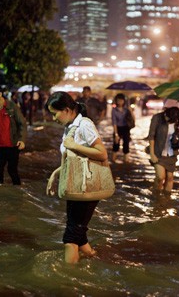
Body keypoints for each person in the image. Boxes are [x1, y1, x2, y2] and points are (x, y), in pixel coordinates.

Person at [45, 91, 108, 264]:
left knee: (70, 237)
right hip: (76, 185)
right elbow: (73, 160)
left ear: (66, 109)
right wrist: (55, 173)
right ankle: (96, 260)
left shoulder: (84, 125)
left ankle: (69, 283)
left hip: (87, 186)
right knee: (78, 234)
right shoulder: (70, 127)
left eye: (54, 113)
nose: (53, 118)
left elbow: (102, 154)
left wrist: (74, 146)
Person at [0, 84, 27, 186]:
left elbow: (22, 124)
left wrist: (22, 140)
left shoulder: (12, 106)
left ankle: (18, 194)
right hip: (0, 147)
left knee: (12, 170)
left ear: (0, 94)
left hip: (13, 145)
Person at [147, 107, 179, 192]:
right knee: (160, 177)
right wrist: (152, 154)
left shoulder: (178, 121)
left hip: (171, 154)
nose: (167, 119)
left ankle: (166, 200)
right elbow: (151, 136)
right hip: (158, 153)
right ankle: (156, 196)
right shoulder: (157, 118)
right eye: (166, 116)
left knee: (169, 178)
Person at [111, 93, 133, 163]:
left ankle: (126, 161)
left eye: (121, 100)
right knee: (116, 144)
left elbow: (133, 120)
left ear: (124, 101)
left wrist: (131, 111)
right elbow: (114, 122)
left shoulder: (127, 109)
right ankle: (113, 160)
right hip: (117, 128)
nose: (120, 102)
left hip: (126, 128)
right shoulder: (114, 110)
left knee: (126, 144)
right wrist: (116, 134)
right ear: (116, 101)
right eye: (118, 100)